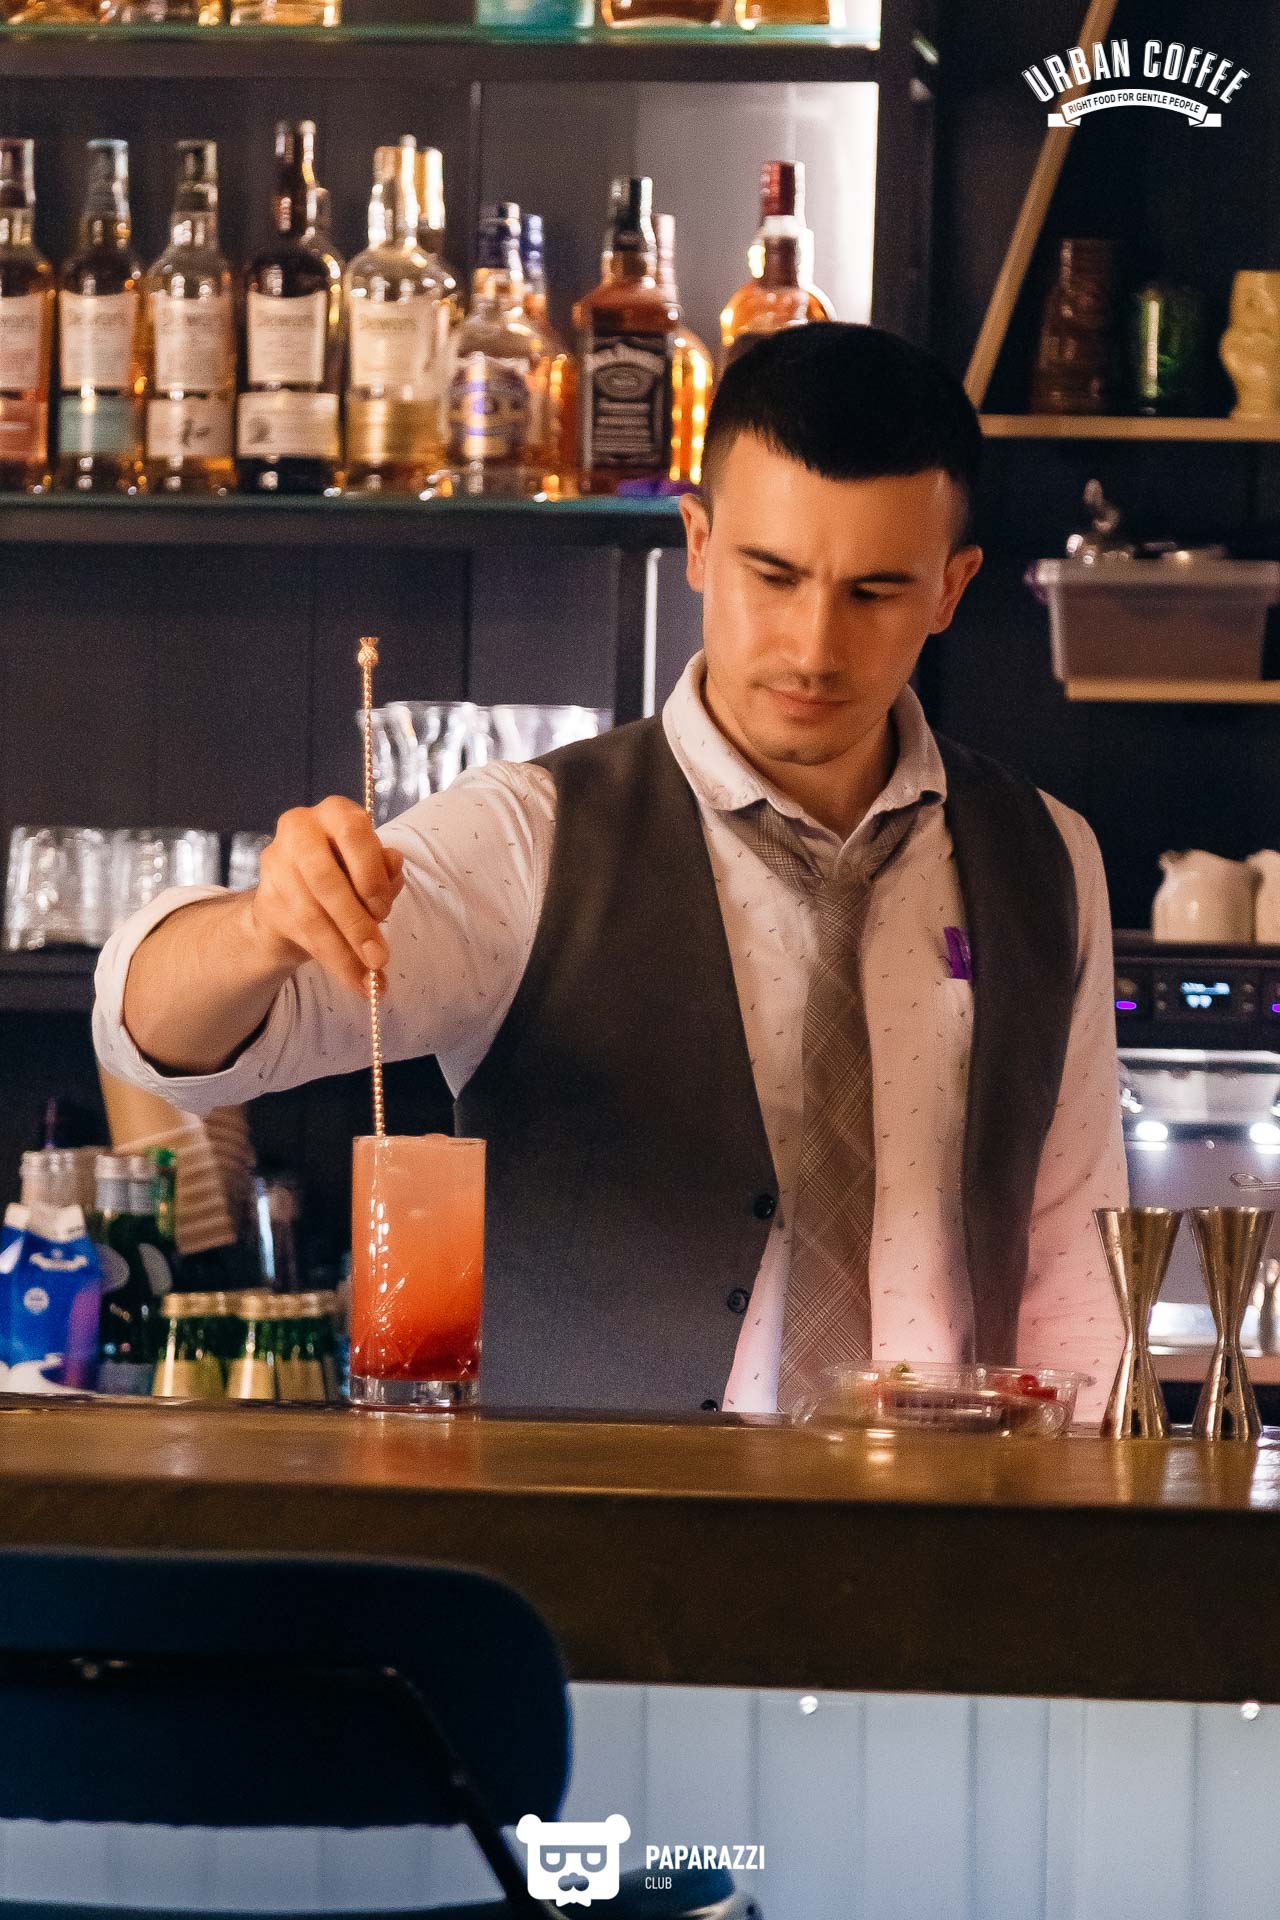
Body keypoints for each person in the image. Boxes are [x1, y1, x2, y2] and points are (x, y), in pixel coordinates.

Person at [94, 323, 1127, 1422]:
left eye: (873, 592)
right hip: (593, 1515)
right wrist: (260, 930)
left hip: (944, 1509)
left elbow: (1073, 1258)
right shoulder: (529, 837)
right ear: (697, 542)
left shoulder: (1046, 856)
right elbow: (159, 1037)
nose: (813, 646)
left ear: (951, 589)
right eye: (771, 575)